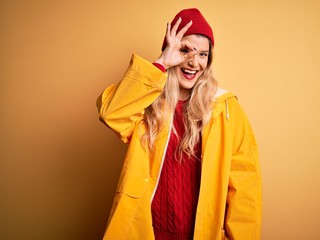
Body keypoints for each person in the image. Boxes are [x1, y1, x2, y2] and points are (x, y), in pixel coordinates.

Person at [97, 8, 262, 240]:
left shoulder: (225, 109)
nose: (193, 62)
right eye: (185, 50)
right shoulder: (146, 102)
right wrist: (162, 63)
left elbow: (245, 188)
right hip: (147, 231)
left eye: (203, 54)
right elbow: (111, 113)